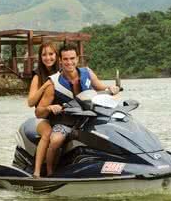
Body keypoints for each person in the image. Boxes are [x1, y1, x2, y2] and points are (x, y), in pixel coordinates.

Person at [35, 43, 119, 176]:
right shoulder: (53, 83)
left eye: (72, 58)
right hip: (65, 122)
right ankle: (50, 172)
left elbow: (101, 87)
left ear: (77, 59)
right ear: (60, 61)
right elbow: (38, 112)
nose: (69, 62)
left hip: (88, 119)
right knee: (56, 140)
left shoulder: (87, 72)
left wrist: (112, 88)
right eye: (66, 59)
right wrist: (49, 107)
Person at [27, 42, 59, 178]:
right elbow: (30, 102)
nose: (48, 58)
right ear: (40, 57)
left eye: (51, 54)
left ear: (56, 56)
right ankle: (37, 172)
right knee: (47, 133)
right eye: (44, 55)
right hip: (42, 118)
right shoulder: (37, 76)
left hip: (60, 116)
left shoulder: (63, 72)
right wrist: (45, 84)